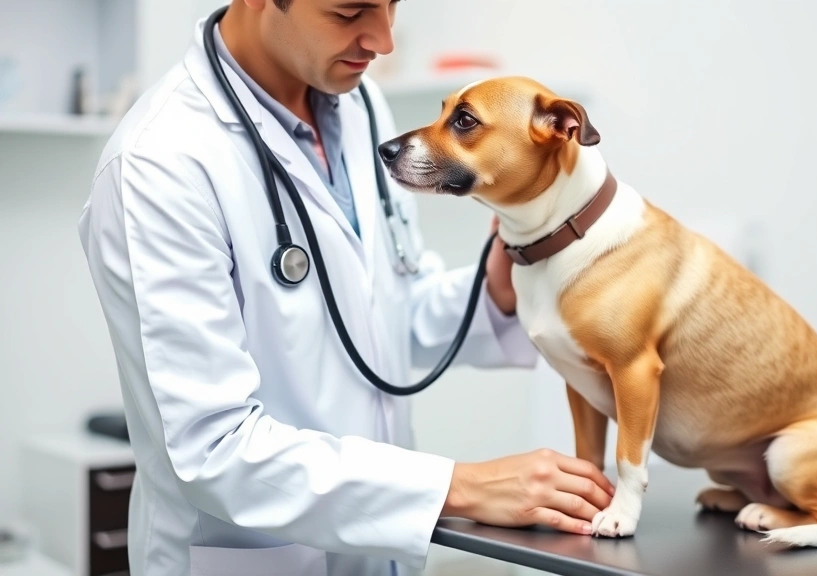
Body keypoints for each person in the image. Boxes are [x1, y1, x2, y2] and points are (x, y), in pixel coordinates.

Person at [76, 1, 614, 575]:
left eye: (392, 5)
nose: (383, 40)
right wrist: (455, 487)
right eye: (350, 11)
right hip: (254, 561)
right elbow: (213, 450)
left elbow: (381, 321)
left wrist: (496, 293)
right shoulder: (159, 163)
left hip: (378, 559)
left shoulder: (361, 105)